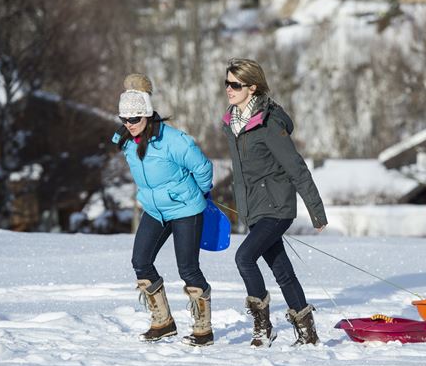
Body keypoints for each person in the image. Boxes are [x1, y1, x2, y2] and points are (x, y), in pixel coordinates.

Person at [221, 58, 328, 347]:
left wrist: (316, 212)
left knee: (244, 258)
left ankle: (263, 326)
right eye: (227, 83)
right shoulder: (232, 123)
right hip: (253, 209)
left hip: (277, 207)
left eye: (235, 84)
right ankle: (308, 333)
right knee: (281, 269)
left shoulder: (269, 124)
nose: (228, 89)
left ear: (252, 88)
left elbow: (297, 168)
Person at [112, 73, 214, 346]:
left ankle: (203, 330)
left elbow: (203, 168)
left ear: (147, 116)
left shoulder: (174, 141)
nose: (129, 124)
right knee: (141, 262)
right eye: (124, 119)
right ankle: (163, 323)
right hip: (155, 210)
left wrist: (200, 193)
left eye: (135, 119)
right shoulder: (126, 139)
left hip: (185, 209)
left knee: (188, 269)